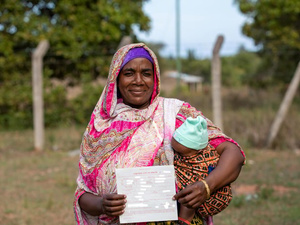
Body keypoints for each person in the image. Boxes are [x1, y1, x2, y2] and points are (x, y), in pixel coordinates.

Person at [73, 43, 245, 225]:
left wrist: (207, 186)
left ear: (155, 78)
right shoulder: (100, 127)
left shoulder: (175, 113)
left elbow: (233, 152)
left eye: (146, 73)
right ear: (116, 78)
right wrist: (102, 204)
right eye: (129, 73)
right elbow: (83, 194)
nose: (138, 81)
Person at [171, 116, 233, 225]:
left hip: (210, 198)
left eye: (182, 154)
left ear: (198, 150)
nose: (178, 156)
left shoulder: (202, 162)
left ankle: (184, 221)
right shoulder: (187, 151)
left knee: (190, 193)